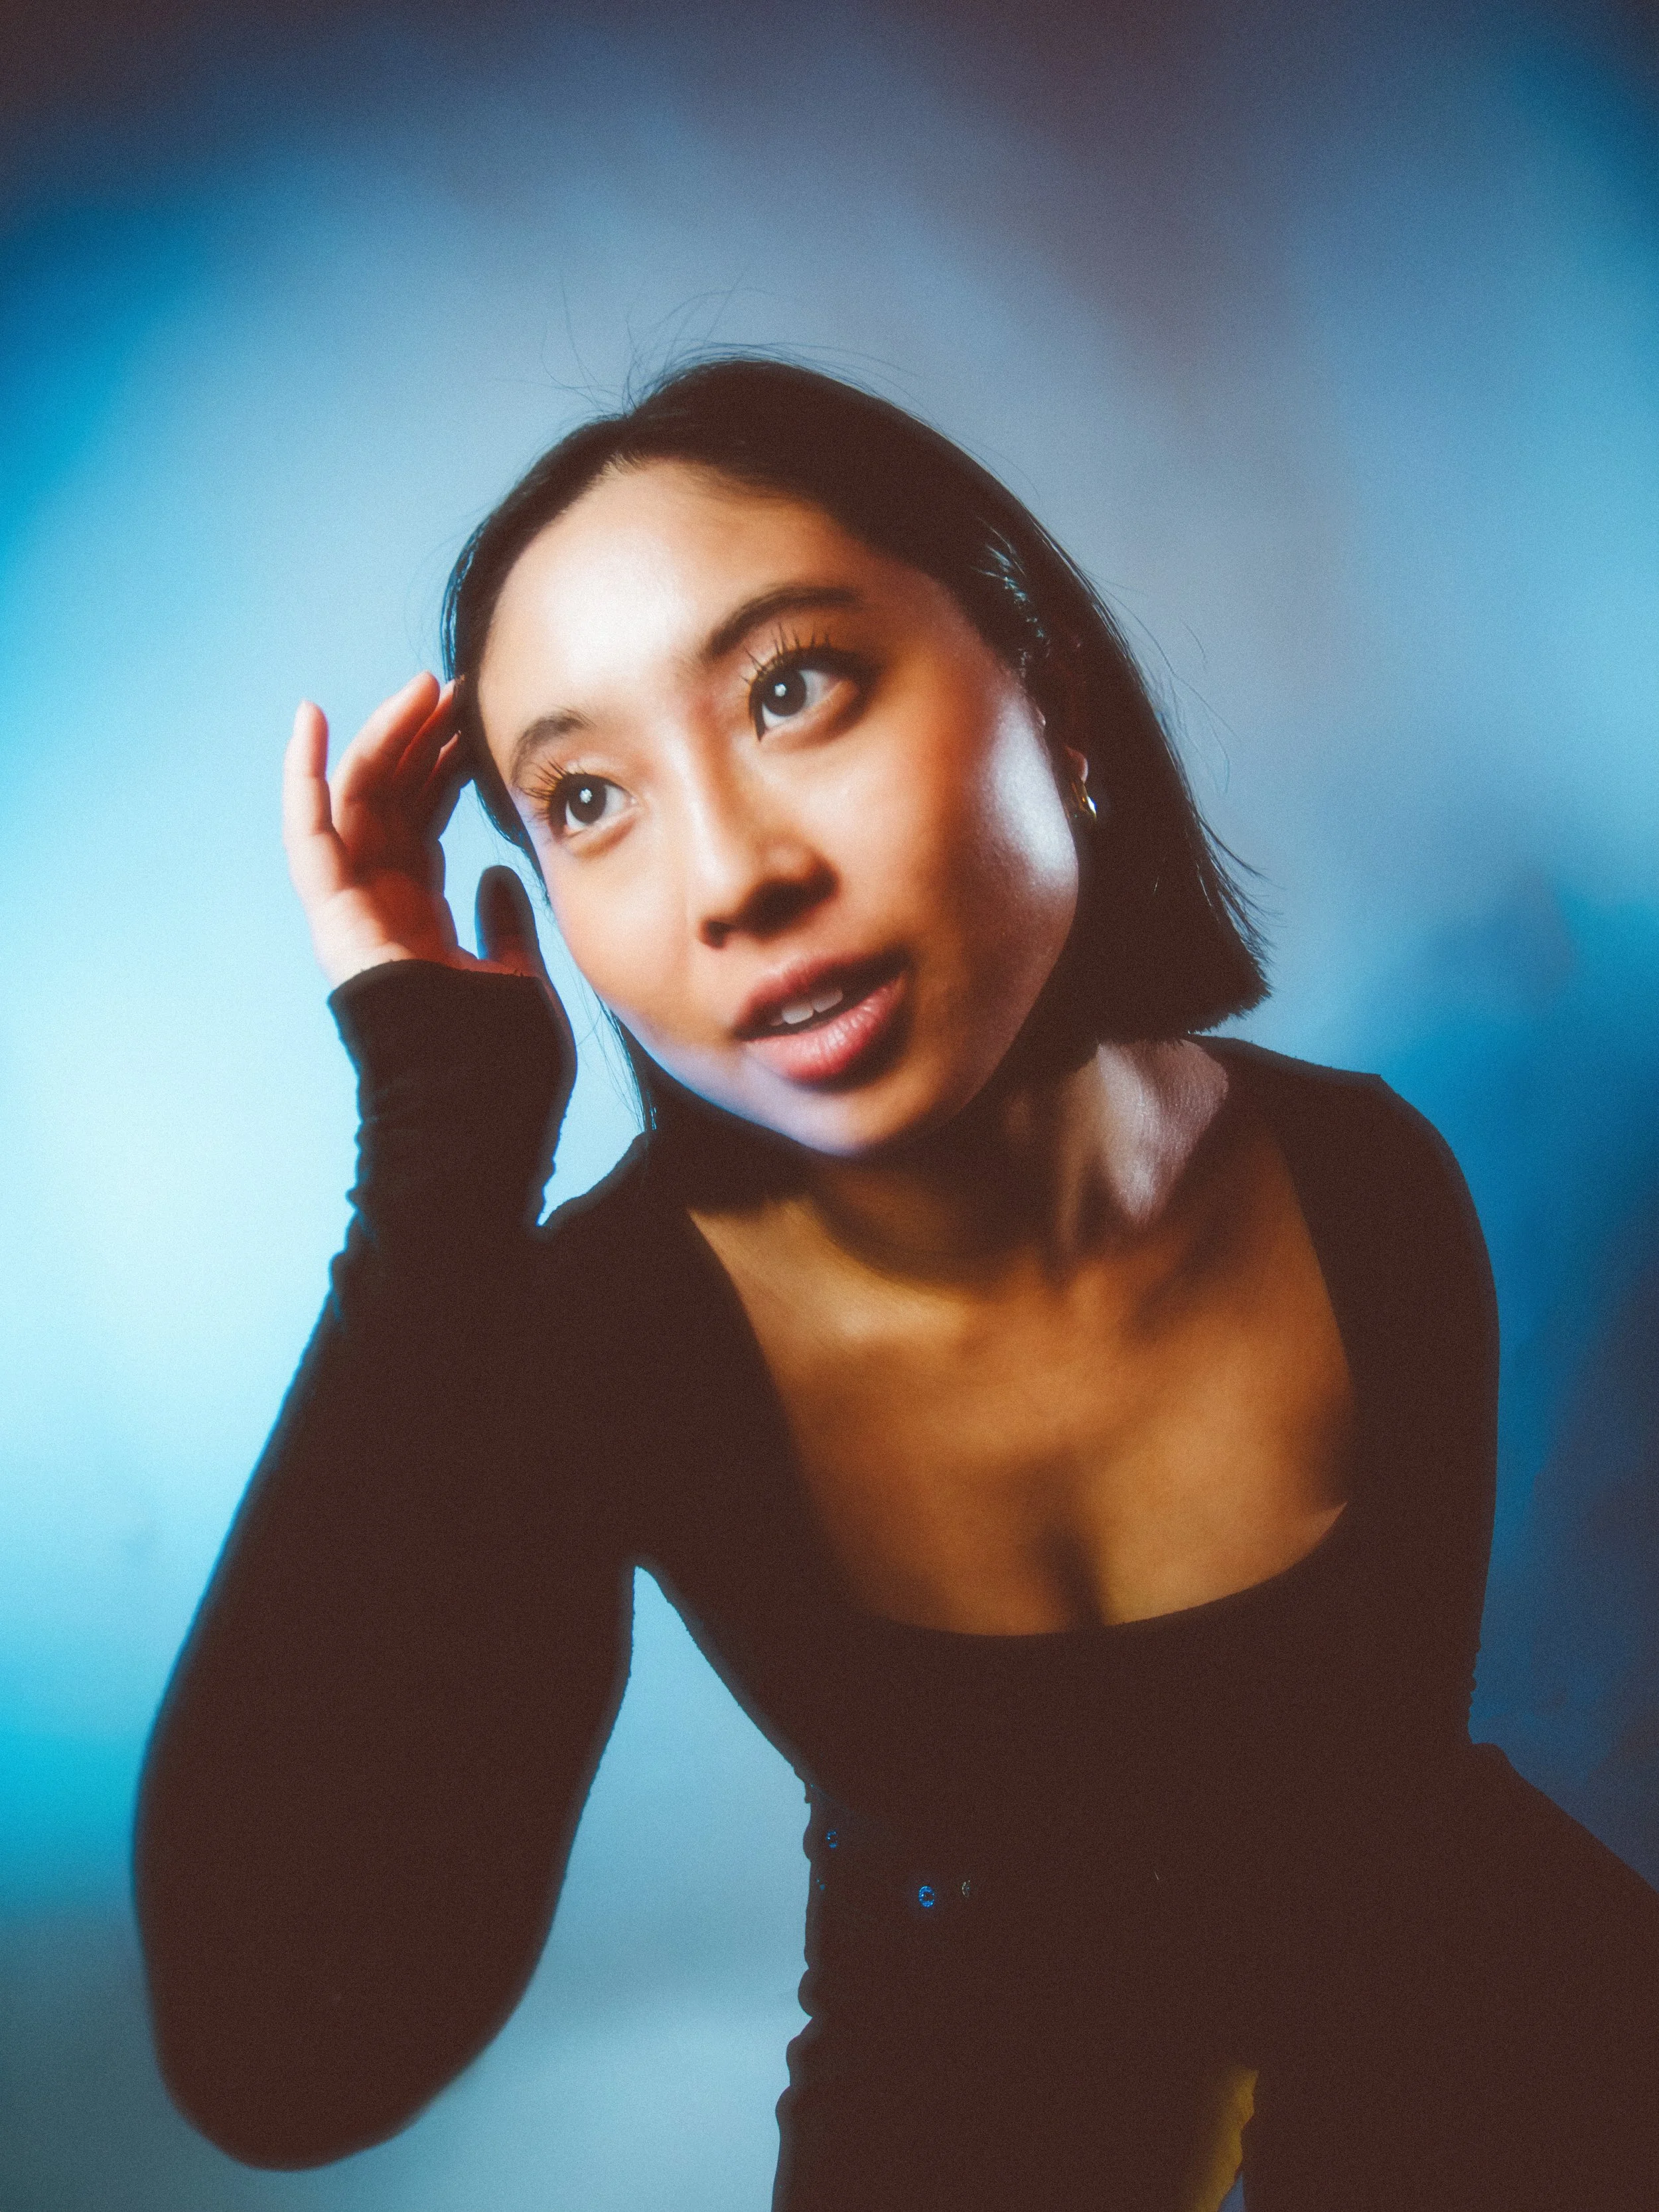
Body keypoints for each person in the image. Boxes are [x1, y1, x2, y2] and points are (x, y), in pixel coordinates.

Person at [135, 357, 1658, 2210]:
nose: (733, 876)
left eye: (792, 688)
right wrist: (440, 1178)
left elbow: (1376, 1866)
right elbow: (285, 2052)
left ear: (1055, 696)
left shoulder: (1356, 1175)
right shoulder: (610, 1332)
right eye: (589, 796)